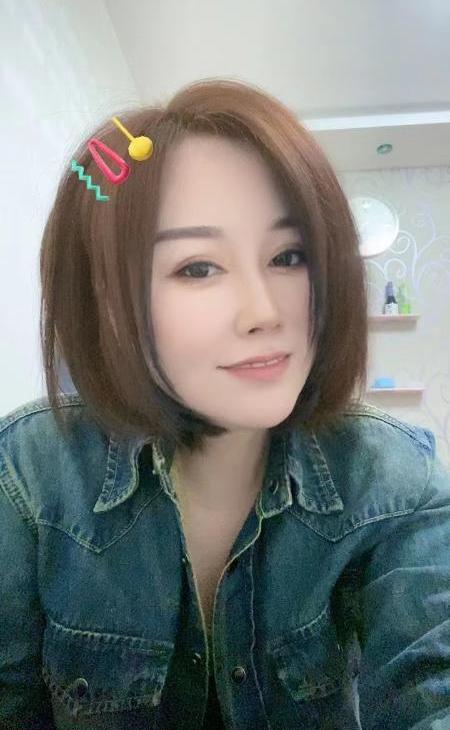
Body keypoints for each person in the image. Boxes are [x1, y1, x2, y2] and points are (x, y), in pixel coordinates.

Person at [0, 77, 448, 729]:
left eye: (289, 256)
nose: (265, 312)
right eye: (198, 268)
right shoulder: (28, 477)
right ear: (106, 302)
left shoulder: (393, 479)